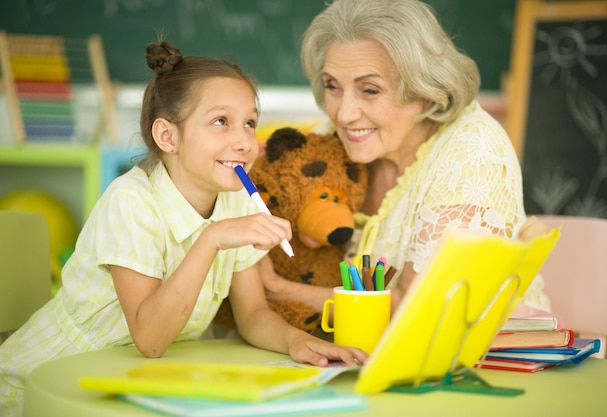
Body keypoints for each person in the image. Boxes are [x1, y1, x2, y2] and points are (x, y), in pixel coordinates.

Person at [0, 40, 367, 417]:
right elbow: (151, 339)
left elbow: (253, 314)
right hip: (40, 388)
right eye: (221, 121)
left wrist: (298, 342)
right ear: (167, 137)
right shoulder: (131, 202)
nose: (243, 141)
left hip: (130, 381)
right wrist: (211, 239)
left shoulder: (237, 198)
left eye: (250, 123)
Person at [260, 0, 552, 316]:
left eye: (369, 90)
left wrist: (278, 291)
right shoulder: (329, 139)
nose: (343, 114)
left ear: (425, 91)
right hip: (339, 352)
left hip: (485, 359)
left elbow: (420, 311)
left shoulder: (473, 149)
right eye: (332, 86)